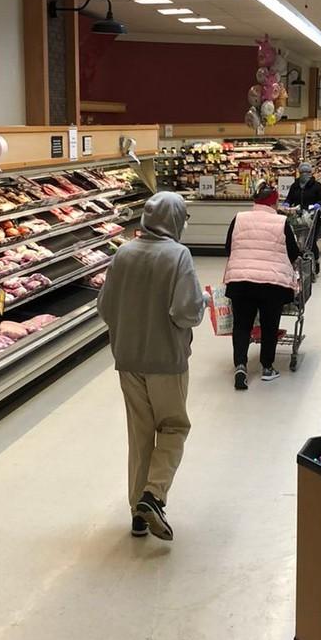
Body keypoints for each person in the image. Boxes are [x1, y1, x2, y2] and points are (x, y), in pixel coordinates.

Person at [97, 192, 205, 541]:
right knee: (174, 427)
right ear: (175, 220)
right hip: (167, 359)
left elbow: (105, 307)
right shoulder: (178, 255)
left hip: (128, 358)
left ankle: (137, 516)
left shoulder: (124, 253)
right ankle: (153, 496)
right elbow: (186, 312)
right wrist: (202, 302)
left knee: (140, 434)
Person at [224, 181, 300, 390]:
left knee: (241, 325)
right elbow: (293, 252)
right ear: (273, 203)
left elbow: (229, 247)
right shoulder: (281, 222)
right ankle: (267, 367)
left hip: (241, 281)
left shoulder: (239, 218)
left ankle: (241, 366)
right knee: (269, 325)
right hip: (272, 284)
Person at [285, 161, 321, 272]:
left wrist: (318, 205)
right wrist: (287, 204)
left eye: (307, 172)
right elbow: (289, 198)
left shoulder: (317, 186)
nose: (304, 174)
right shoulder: (295, 186)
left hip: (313, 218)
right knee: (298, 242)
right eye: (302, 172)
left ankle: (315, 261)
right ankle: (300, 263)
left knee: (311, 242)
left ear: (310, 173)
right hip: (297, 219)